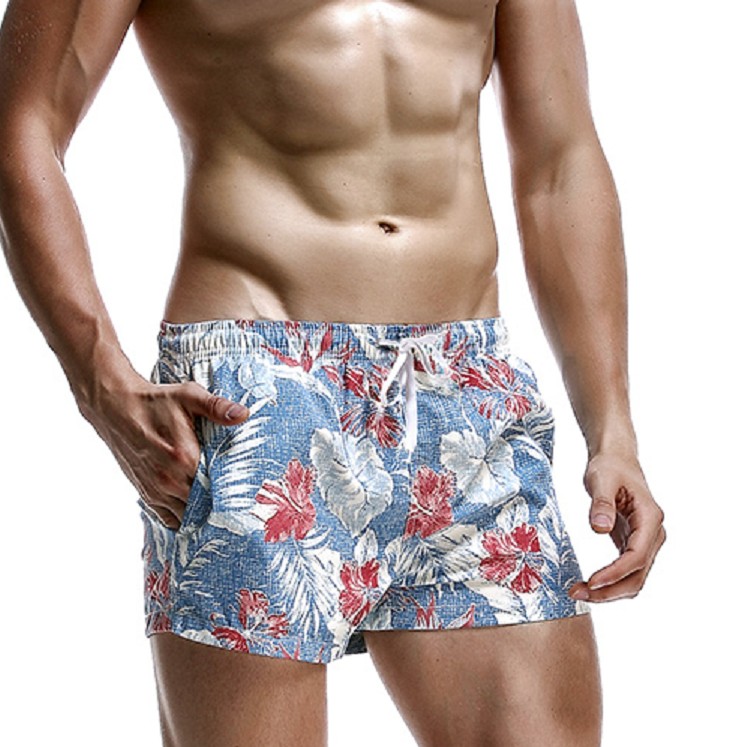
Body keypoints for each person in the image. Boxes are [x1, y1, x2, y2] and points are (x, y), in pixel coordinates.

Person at [0, 0, 666, 745]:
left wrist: (613, 430)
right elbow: (23, 123)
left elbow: (559, 160)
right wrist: (99, 380)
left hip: (465, 389)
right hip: (259, 391)